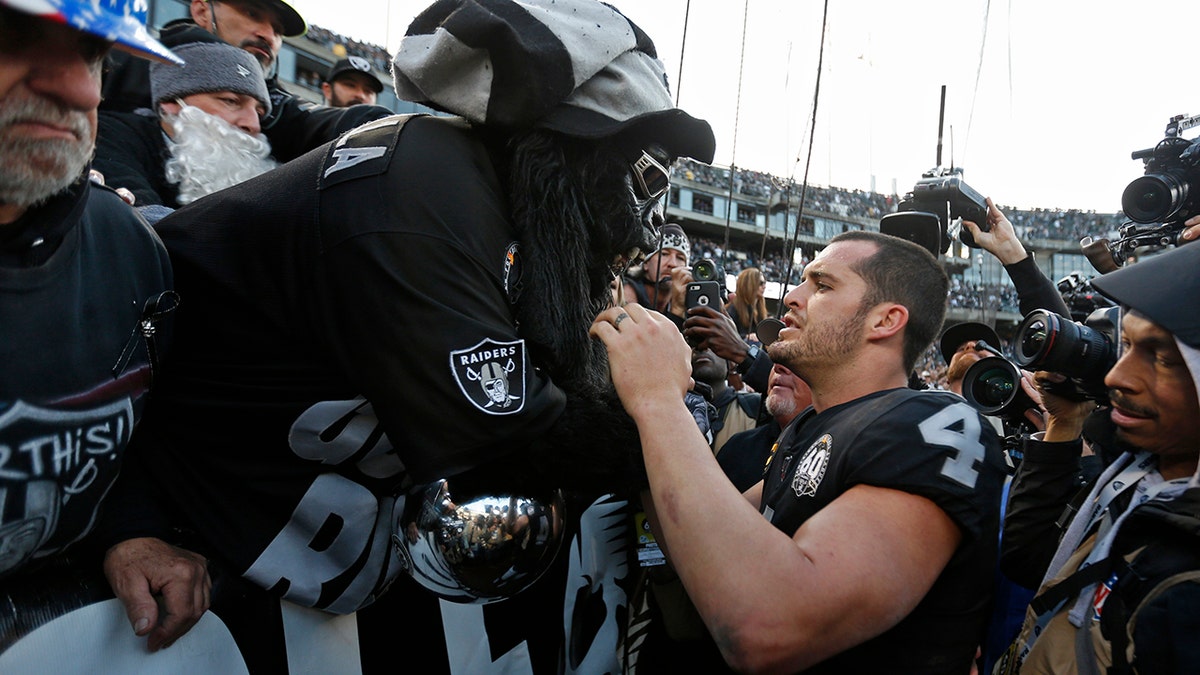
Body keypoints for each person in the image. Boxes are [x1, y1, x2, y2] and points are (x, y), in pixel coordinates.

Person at [96, 0, 716, 671]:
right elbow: (524, 439)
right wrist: (667, 422)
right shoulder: (425, 194)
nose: (638, 217)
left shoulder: (489, 199)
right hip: (189, 515)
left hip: (291, 542)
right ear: (568, 146)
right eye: (643, 174)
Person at [594, 229, 1008, 674]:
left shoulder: (936, 423)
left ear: (885, 321)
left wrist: (658, 400)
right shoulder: (808, 425)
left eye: (823, 285)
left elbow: (768, 624)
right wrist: (637, 423)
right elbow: (704, 548)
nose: (791, 296)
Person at [0, 0, 209, 652]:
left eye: (94, 53)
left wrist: (131, 528)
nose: (81, 86)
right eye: (14, 35)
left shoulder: (130, 248)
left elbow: (136, 442)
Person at [996, 241, 1200, 675]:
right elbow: (1030, 561)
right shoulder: (1139, 472)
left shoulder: (1187, 583)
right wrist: (1064, 425)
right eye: (1125, 347)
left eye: (1161, 357)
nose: (1116, 377)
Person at [100, 0, 391, 163]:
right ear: (202, 10)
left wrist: (391, 127)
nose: (267, 34)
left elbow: (315, 120)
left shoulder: (275, 102)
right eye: (252, 13)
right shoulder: (124, 62)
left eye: (278, 29)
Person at [95, 27, 277, 221]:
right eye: (230, 101)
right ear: (172, 102)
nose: (253, 124)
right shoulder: (112, 135)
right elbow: (143, 222)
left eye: (258, 112)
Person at [718, 363, 813, 493]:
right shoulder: (738, 447)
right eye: (775, 359)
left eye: (794, 360)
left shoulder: (838, 452)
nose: (778, 367)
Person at [621, 221, 692, 320]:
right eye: (664, 254)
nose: (673, 264)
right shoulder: (626, 293)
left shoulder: (689, 302)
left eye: (680, 258)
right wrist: (677, 309)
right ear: (645, 263)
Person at [725, 266, 768, 340]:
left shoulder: (760, 307)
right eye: (760, 283)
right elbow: (726, 336)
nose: (764, 286)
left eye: (764, 282)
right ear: (749, 284)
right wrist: (746, 337)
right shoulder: (733, 309)